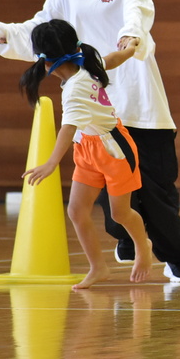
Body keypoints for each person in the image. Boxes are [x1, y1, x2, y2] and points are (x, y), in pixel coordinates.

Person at [0, 0, 180, 282]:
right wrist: (8, 34)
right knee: (108, 194)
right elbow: (43, 25)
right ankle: (128, 241)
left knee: (157, 188)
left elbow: (137, 14)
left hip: (137, 98)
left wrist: (131, 37)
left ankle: (177, 259)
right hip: (94, 104)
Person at [19, 19, 152, 290]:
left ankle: (143, 246)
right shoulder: (87, 60)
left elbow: (66, 129)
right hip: (88, 147)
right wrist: (130, 49)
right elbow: (112, 59)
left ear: (46, 62)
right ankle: (97, 267)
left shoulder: (75, 89)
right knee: (77, 211)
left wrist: (51, 163)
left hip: (114, 150)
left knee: (120, 214)